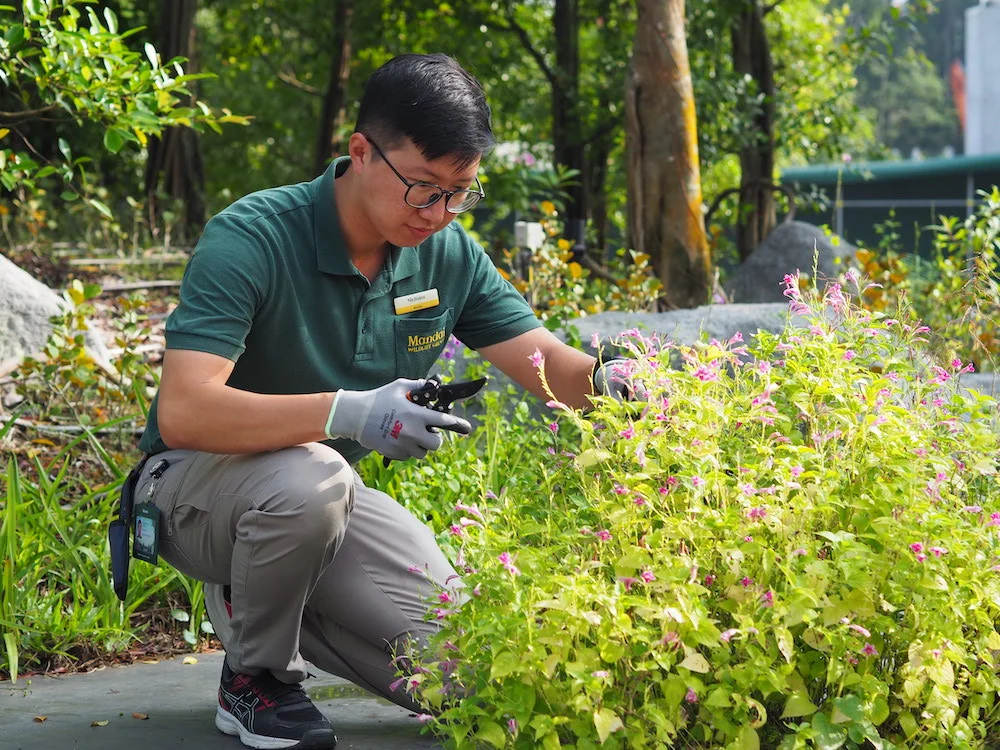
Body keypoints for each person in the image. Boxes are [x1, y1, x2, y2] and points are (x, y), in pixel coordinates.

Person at [132, 53, 628, 750]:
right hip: (196, 487)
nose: (440, 213)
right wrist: (349, 412)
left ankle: (268, 601)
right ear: (360, 152)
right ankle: (255, 679)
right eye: (424, 188)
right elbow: (186, 410)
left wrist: (611, 381)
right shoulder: (253, 237)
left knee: (475, 680)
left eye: (461, 192)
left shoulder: (447, 253)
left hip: (321, 501)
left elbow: (549, 367)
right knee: (313, 479)